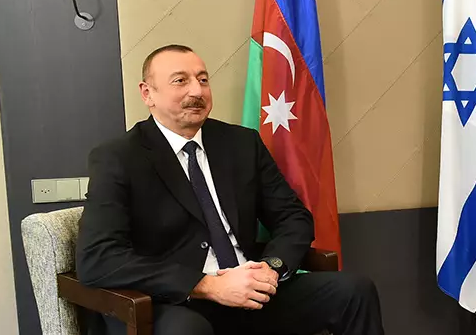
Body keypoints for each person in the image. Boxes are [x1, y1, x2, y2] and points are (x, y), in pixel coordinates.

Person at [76, 44, 385, 335]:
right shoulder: (118, 157)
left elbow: (293, 217)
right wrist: (206, 285)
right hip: (177, 300)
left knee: (353, 291)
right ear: (148, 93)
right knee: (188, 330)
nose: (196, 91)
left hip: (250, 290)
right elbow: (98, 258)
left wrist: (271, 268)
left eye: (203, 80)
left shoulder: (241, 144)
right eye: (180, 81)